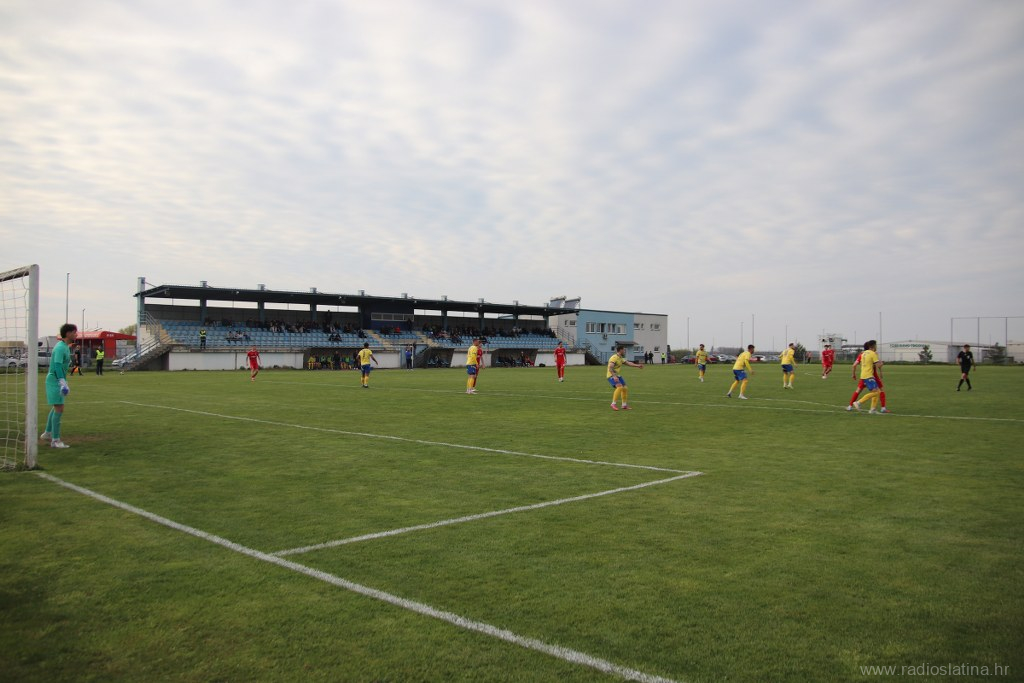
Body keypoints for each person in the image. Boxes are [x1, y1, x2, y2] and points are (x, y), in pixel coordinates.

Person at [40, 323, 78, 449]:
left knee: (57, 406)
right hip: (54, 381)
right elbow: (57, 365)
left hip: (57, 380)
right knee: (59, 408)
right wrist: (62, 382)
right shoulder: (61, 348)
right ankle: (55, 441)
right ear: (68, 333)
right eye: (74, 332)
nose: (76, 334)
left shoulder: (65, 347)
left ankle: (47, 433)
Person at [847, 345, 889, 413]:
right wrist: (881, 366)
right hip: (872, 376)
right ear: (871, 347)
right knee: (879, 391)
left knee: (858, 391)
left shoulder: (862, 354)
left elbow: (854, 365)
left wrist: (853, 374)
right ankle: (881, 408)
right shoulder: (873, 354)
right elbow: (878, 365)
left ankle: (850, 406)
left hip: (863, 376)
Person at [607, 345, 643, 410]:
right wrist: (614, 376)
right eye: (624, 350)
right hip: (611, 375)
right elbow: (610, 367)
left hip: (617, 375)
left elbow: (628, 363)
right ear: (620, 350)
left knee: (625, 388)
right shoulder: (614, 357)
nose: (625, 351)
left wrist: (637, 365)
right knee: (619, 387)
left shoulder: (620, 358)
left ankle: (624, 405)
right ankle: (613, 404)